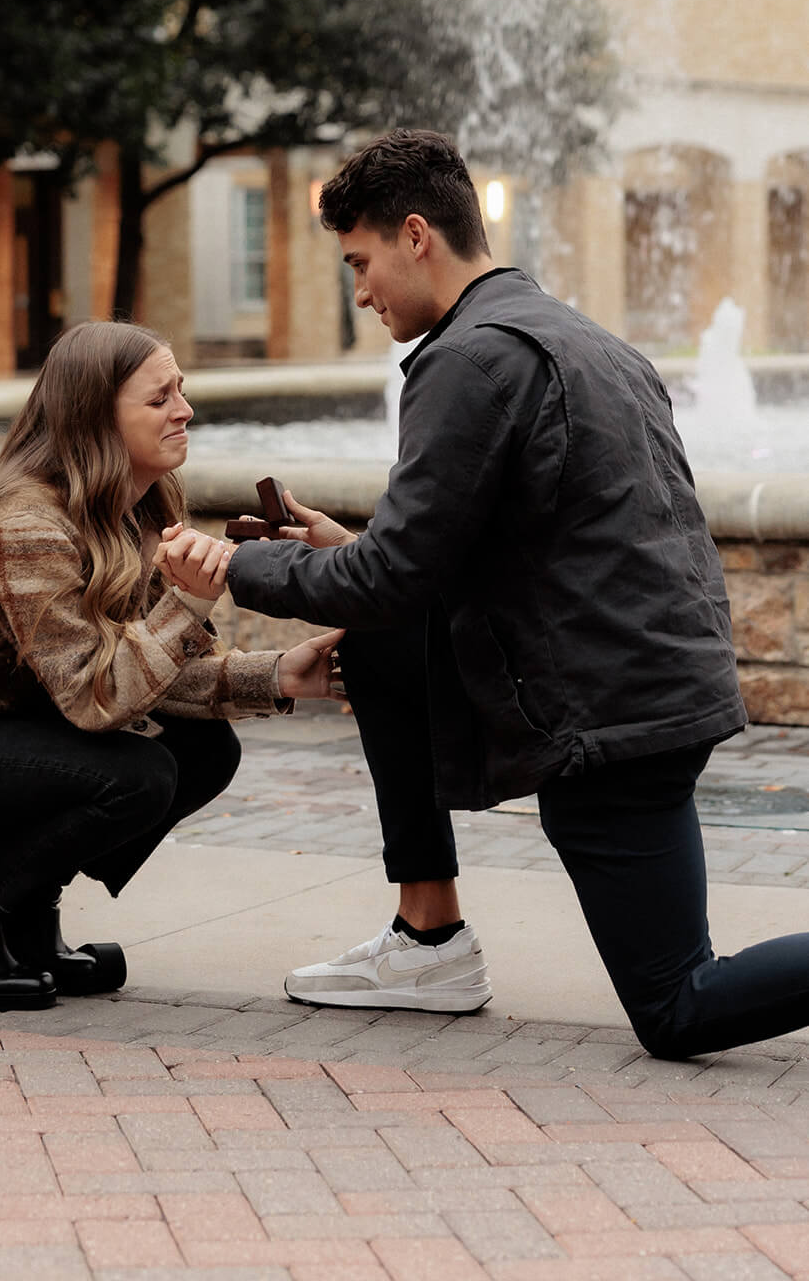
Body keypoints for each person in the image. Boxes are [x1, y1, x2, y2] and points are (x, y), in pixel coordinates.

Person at [155, 127, 809, 1061]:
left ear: (416, 235)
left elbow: (392, 578)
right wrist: (350, 547)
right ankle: (429, 941)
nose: (361, 293)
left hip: (609, 724)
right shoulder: (583, 337)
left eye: (362, 262)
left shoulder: (468, 359)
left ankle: (432, 940)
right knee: (376, 646)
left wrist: (231, 568)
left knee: (679, 1007)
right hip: (660, 688)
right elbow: (514, 546)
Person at [0, 321, 342, 1013]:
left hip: (9, 734)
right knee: (136, 774)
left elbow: (147, 674)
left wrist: (282, 675)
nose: (185, 410)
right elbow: (95, 697)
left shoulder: (134, 506)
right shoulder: (24, 524)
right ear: (96, 419)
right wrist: (189, 607)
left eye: (182, 390)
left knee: (203, 749)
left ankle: (21, 914)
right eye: (159, 398)